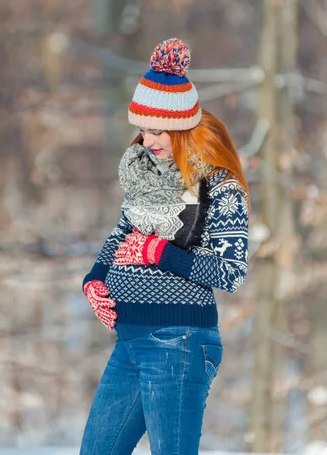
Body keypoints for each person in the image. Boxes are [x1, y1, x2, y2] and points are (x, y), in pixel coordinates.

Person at [80, 38, 249, 455]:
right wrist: (95, 280)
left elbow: (231, 271)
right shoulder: (145, 178)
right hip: (130, 340)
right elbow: (121, 236)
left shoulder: (219, 187)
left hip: (180, 342)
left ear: (181, 128)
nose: (147, 139)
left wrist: (159, 253)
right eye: (142, 129)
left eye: (157, 130)